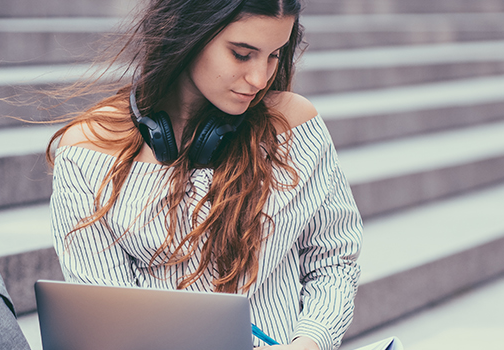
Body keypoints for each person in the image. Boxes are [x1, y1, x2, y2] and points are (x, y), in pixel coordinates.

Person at [39, 0, 361, 349]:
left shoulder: (292, 126)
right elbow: (109, 319)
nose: (259, 78)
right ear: (188, 32)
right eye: (242, 54)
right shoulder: (89, 151)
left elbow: (335, 261)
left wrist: (309, 343)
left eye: (274, 55)